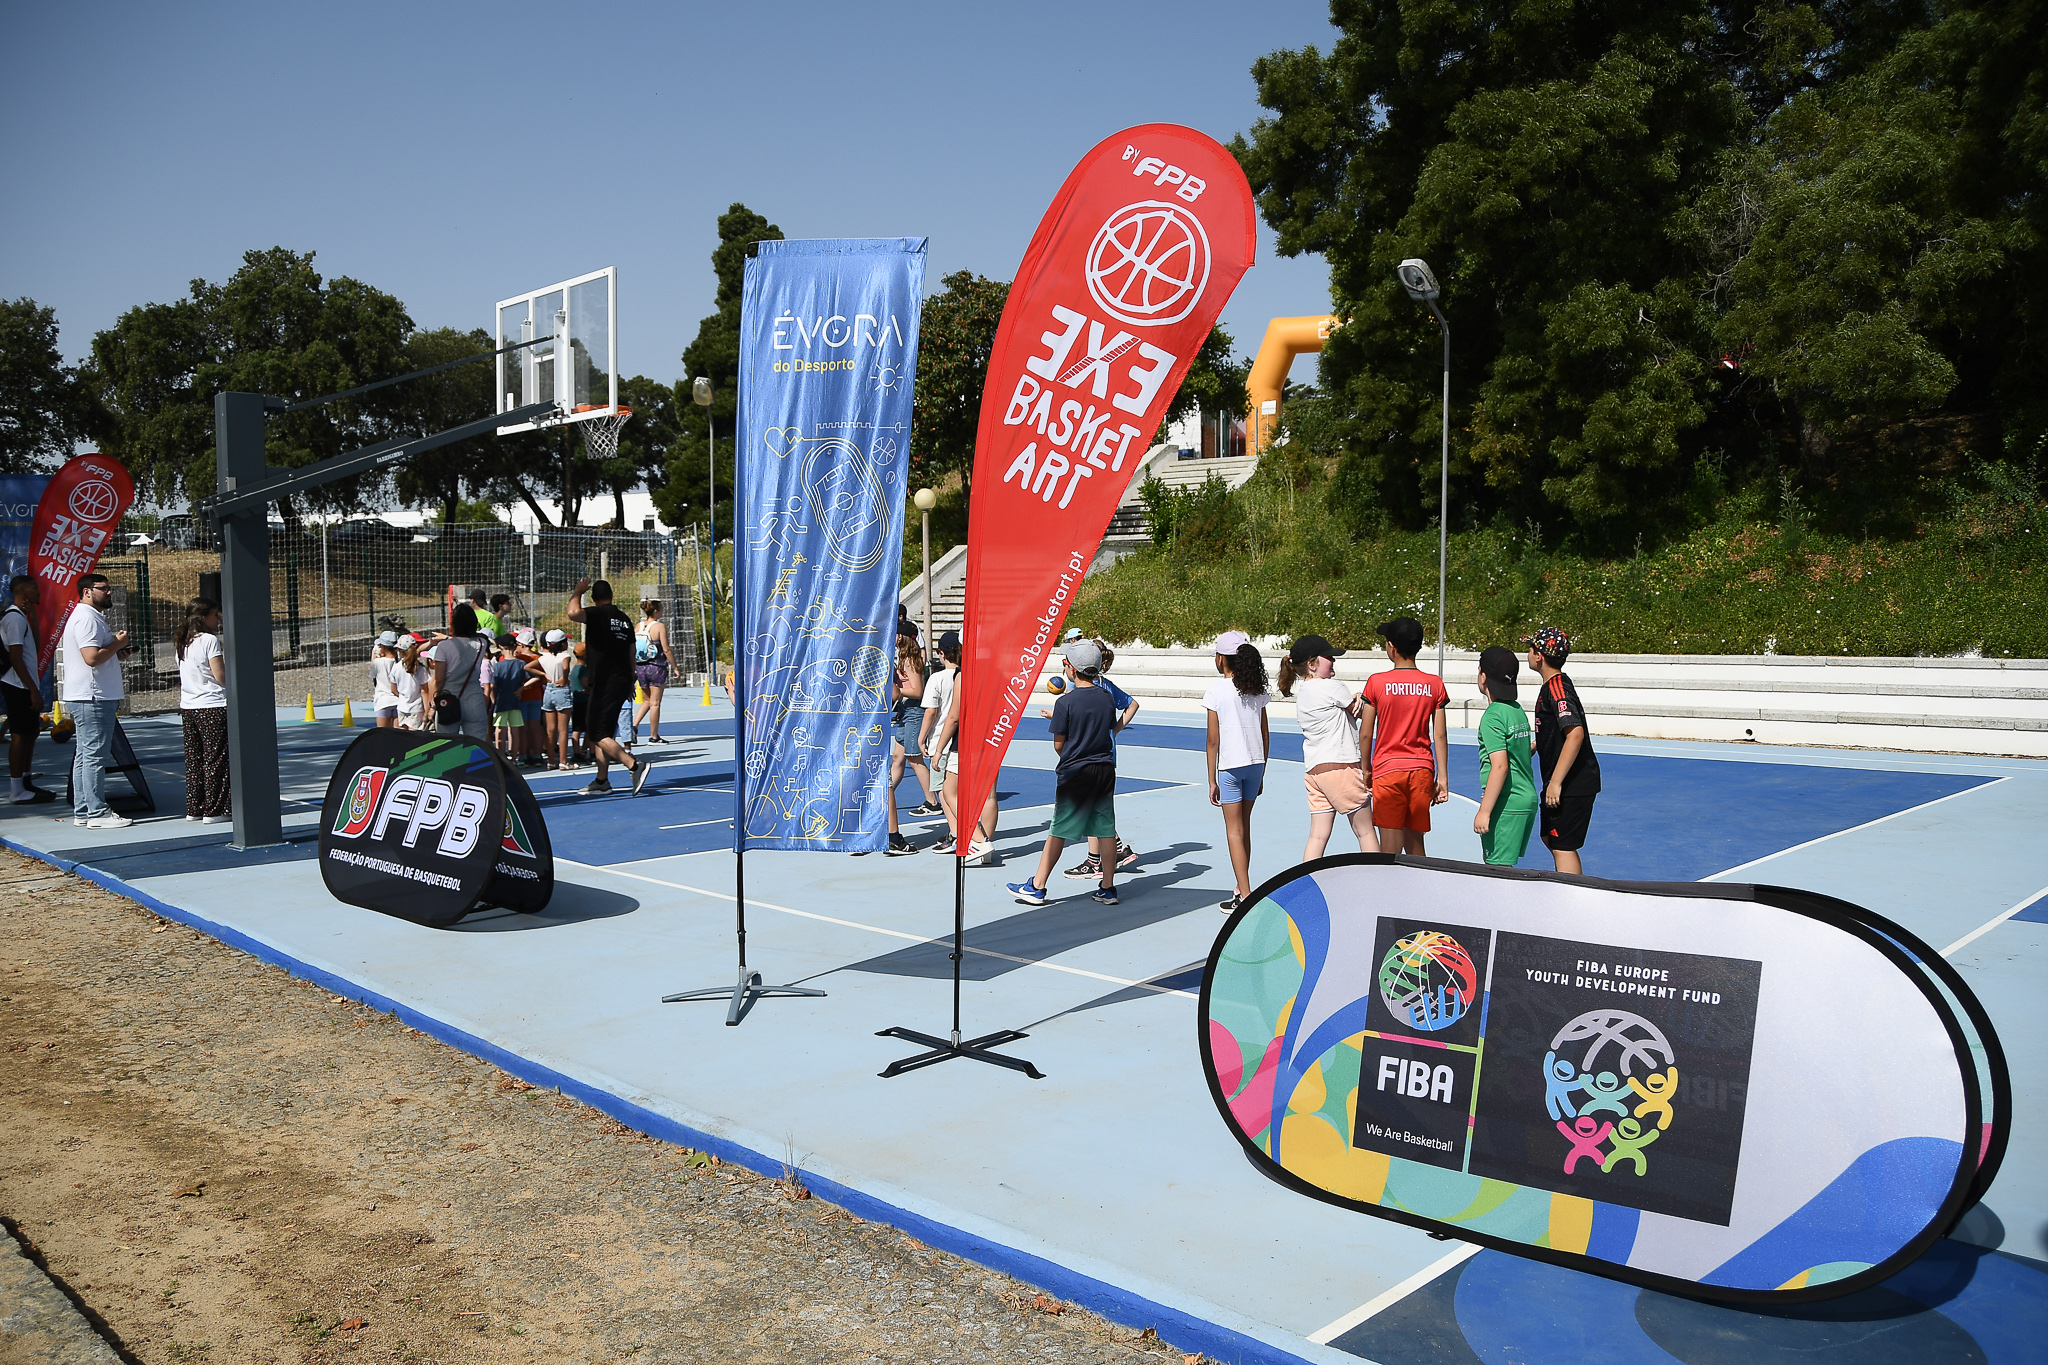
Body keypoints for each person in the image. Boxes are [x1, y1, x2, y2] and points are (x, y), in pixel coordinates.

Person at [1008, 638, 1121, 906]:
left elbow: (1059, 744)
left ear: (1071, 668)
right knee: (1105, 828)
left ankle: (1037, 886)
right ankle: (1108, 887)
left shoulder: (1065, 703)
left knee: (1058, 829)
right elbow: (1109, 728)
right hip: (1105, 768)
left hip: (1076, 773)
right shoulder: (1107, 698)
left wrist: (1071, 755)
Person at [1278, 633, 1373, 861]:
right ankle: (1378, 877)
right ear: (1312, 664)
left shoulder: (1304, 693)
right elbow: (1360, 710)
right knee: (1365, 831)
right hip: (1342, 767)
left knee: (1317, 836)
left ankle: (1306, 879)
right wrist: (1361, 697)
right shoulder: (1332, 686)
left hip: (1315, 771)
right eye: (1328, 657)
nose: (1333, 660)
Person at [1360, 616, 1450, 857]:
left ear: (1391, 647)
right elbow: (1440, 735)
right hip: (1421, 769)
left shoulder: (1376, 682)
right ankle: (1420, 882)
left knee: (1389, 845)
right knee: (1415, 842)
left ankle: (1388, 882)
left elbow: (1366, 733)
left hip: (1388, 770)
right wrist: (1442, 777)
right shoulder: (1434, 684)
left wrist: (1366, 769)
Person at [1049, 639, 1139, 879]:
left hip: (1080, 761)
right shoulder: (1106, 693)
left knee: (1068, 824)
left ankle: (1098, 859)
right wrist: (1114, 731)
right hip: (1105, 758)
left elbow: (1063, 739)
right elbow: (1131, 705)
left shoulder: (1074, 696)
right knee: (1101, 817)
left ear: (1072, 667)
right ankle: (1105, 874)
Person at [1523, 626, 1601, 874]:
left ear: (1539, 656)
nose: (1527, 653)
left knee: (1563, 846)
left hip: (1573, 783)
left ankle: (1571, 892)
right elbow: (1557, 727)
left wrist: (1556, 782)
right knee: (1549, 837)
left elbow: (1575, 733)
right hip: (1562, 780)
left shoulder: (1557, 688)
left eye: (1530, 649)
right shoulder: (1552, 686)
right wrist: (1538, 744)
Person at [60, 573, 133, 830]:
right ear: (87, 591)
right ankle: (97, 812)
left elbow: (97, 655)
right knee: (94, 756)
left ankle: (83, 810)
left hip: (89, 695)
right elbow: (91, 658)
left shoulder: (90, 617)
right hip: (93, 697)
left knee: (85, 755)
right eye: (104, 588)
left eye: (109, 588)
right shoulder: (87, 618)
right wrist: (117, 643)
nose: (109, 592)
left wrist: (115, 651)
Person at [566, 577, 652, 796]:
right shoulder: (624, 619)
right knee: (605, 732)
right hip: (621, 679)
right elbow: (631, 652)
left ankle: (634, 765)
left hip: (605, 681)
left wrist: (577, 592)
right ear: (612, 595)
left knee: (596, 733)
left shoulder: (597, 614)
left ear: (593, 597)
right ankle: (602, 780)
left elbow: (573, 613)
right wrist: (631, 678)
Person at [1204, 631, 1270, 912]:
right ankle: (1240, 887)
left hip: (1230, 766)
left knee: (1234, 831)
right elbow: (1265, 734)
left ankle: (1245, 894)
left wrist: (1211, 780)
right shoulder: (1256, 689)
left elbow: (1212, 740)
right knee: (1245, 827)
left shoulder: (1216, 691)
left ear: (1222, 659)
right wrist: (1262, 771)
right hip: (1255, 763)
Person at [1472, 645, 1539, 867]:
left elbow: (1500, 766)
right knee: (1504, 867)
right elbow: (1521, 750)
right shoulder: (1516, 709)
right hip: (1526, 797)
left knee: (1497, 870)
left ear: (1483, 676)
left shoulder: (1492, 717)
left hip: (1507, 803)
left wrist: (1484, 811)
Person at [175, 597, 229, 823]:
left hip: (189, 706)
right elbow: (220, 676)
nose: (218, 619)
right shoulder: (209, 640)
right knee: (216, 759)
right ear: (204, 617)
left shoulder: (182, 641)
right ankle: (215, 809)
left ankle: (195, 807)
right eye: (215, 614)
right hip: (212, 705)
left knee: (194, 759)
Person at [1, 574, 53, 803]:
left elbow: (36, 647)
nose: (38, 592)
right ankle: (16, 790)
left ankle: (25, 781)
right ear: (21, 590)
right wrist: (32, 689)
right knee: (20, 735)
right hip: (17, 684)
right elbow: (15, 657)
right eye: (34, 588)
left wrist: (33, 617)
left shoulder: (22, 617)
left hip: (24, 683)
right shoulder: (13, 619)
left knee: (31, 732)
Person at [428, 604, 491, 741]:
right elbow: (468, 642)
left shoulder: (444, 647)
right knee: (476, 744)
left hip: (449, 700)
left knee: (446, 744)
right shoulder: (481, 643)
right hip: (474, 699)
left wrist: (433, 704)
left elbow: (439, 679)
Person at [921, 631, 959, 852]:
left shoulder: (937, 678)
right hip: (959, 741)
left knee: (944, 792)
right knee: (955, 791)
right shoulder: (964, 676)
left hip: (940, 741)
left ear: (941, 653)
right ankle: (958, 831)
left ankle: (955, 833)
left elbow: (931, 712)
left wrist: (921, 737)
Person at [892, 632, 935, 823]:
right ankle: (887, 793)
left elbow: (918, 691)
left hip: (914, 711)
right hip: (906, 709)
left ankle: (932, 801)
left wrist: (896, 690)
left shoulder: (910, 660)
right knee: (898, 757)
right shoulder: (904, 658)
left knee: (914, 758)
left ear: (901, 637)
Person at [632, 599, 674, 744]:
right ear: (656, 611)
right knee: (655, 703)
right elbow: (666, 649)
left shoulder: (639, 626)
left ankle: (634, 726)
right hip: (656, 667)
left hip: (641, 667)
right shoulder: (659, 626)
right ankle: (654, 736)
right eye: (661, 609)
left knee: (647, 701)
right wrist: (675, 667)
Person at [533, 629, 574, 770]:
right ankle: (563, 761)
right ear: (562, 644)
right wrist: (564, 677)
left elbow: (528, 667)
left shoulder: (543, 657)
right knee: (563, 730)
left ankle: (551, 761)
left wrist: (543, 675)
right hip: (561, 691)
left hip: (549, 690)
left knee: (550, 729)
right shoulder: (565, 656)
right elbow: (566, 667)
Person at [489, 635, 528, 759]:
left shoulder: (498, 666)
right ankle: (514, 758)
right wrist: (522, 688)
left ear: (501, 647)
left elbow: (492, 686)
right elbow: (533, 678)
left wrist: (493, 701)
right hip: (515, 702)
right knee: (515, 731)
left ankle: (501, 757)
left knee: (500, 730)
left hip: (501, 702)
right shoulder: (521, 664)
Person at [395, 634, 430, 730]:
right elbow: (424, 691)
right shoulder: (421, 669)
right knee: (414, 736)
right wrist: (427, 711)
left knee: (402, 735)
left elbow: (393, 688)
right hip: (416, 708)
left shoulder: (396, 667)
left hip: (402, 706)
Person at [369, 630, 403, 727]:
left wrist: (374, 656)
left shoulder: (378, 662)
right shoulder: (400, 662)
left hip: (383, 701)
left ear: (382, 646)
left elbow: (372, 674)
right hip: (399, 700)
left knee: (382, 732)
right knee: (399, 733)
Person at [569, 642, 591, 763]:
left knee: (576, 728)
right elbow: (585, 683)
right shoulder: (584, 669)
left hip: (576, 701)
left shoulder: (574, 669)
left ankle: (577, 752)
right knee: (588, 728)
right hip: (585, 701)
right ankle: (584, 750)